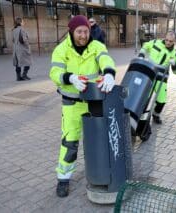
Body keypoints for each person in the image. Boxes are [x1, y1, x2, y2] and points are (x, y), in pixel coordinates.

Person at [49, 15, 116, 197]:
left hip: (94, 102)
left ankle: (98, 173)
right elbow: (55, 72)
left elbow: (105, 60)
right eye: (79, 31)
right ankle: (63, 179)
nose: (83, 35)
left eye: (86, 31)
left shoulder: (97, 46)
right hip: (71, 103)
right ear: (72, 31)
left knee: (98, 141)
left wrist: (109, 73)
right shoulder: (61, 49)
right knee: (70, 142)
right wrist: (69, 77)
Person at [138, 31, 176, 124]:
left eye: (170, 41)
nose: (168, 42)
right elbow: (145, 45)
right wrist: (141, 55)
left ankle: (156, 115)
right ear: (164, 38)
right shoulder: (155, 42)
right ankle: (141, 117)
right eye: (166, 40)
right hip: (150, 75)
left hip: (162, 79)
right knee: (146, 98)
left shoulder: (174, 53)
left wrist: (174, 64)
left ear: (174, 41)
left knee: (161, 102)